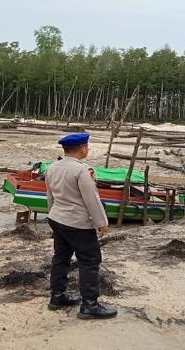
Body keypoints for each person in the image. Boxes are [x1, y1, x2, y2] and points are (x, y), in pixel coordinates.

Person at [45, 132, 117, 320]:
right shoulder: (82, 170)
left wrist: (52, 216)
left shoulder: (52, 167)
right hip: (77, 223)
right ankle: (89, 305)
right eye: (87, 147)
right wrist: (102, 223)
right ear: (83, 149)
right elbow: (91, 199)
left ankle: (57, 296)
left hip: (57, 218)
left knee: (60, 258)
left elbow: (50, 197)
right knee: (89, 261)